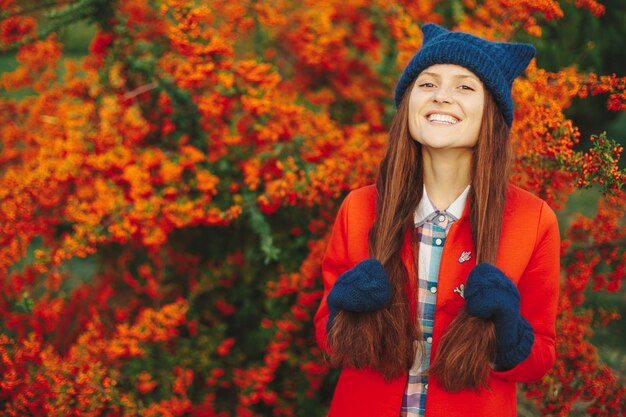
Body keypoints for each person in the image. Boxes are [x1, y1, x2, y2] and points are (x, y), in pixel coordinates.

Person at [313, 23, 560, 417]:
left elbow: (542, 355)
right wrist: (346, 314)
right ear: (408, 102)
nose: (442, 96)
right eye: (427, 84)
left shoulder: (532, 221)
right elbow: (327, 332)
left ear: (492, 113)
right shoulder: (359, 209)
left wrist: (507, 336)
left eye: (464, 87)